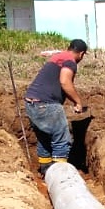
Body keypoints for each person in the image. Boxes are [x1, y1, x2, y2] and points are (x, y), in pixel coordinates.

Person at [23, 39, 87, 175]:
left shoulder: (60, 56)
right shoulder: (70, 61)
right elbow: (65, 81)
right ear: (81, 54)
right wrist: (78, 102)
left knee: (45, 138)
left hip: (31, 103)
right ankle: (60, 175)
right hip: (47, 104)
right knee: (62, 139)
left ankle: (45, 171)